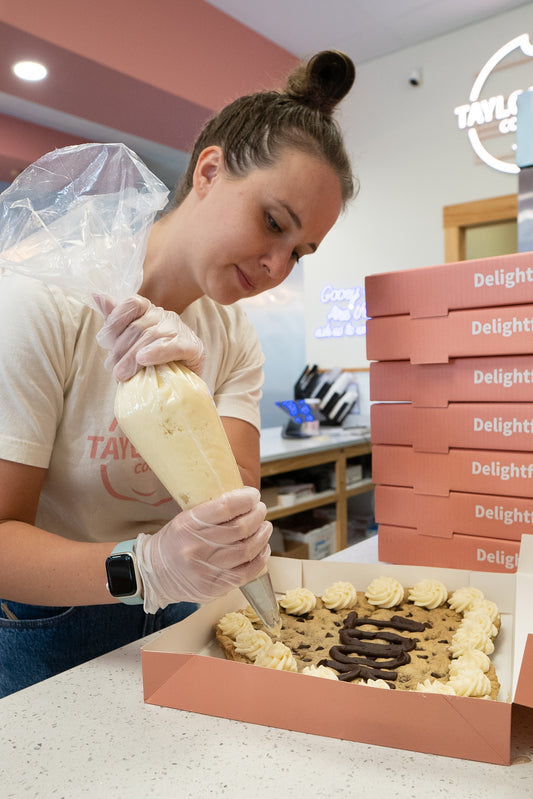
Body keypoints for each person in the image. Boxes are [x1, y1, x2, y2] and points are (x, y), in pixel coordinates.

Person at [0, 50, 356, 697]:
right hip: (52, 630)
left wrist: (188, 399)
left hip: (183, 618)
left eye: (298, 252)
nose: (277, 265)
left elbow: (234, 519)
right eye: (272, 222)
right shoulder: (41, 301)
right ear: (210, 170)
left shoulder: (230, 337)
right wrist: (143, 567)